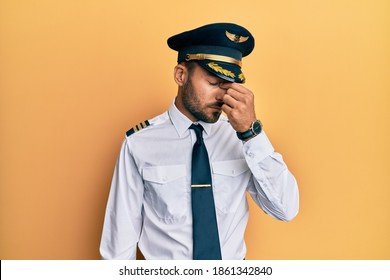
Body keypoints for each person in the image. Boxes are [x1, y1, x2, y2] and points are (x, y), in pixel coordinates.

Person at [100, 23, 299, 260]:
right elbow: (118, 247)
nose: (222, 95)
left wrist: (251, 134)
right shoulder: (140, 143)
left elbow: (286, 209)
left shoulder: (243, 139)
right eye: (214, 83)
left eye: (229, 86)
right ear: (180, 75)